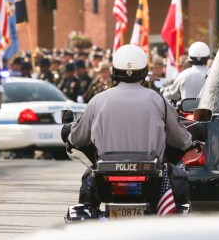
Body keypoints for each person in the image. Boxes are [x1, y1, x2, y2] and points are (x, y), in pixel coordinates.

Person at [66, 45, 193, 207]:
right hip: (152, 179)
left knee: (88, 192)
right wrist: (192, 138)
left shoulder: (98, 100)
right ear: (144, 72)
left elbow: (77, 138)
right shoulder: (158, 100)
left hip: (106, 178)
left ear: (114, 72)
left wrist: (68, 133)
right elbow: (182, 140)